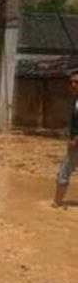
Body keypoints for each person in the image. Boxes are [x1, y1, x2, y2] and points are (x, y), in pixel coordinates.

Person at [53, 68, 78, 207]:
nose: (73, 85)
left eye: (76, 82)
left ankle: (56, 204)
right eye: (71, 82)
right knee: (64, 171)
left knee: (64, 171)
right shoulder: (75, 101)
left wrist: (76, 139)